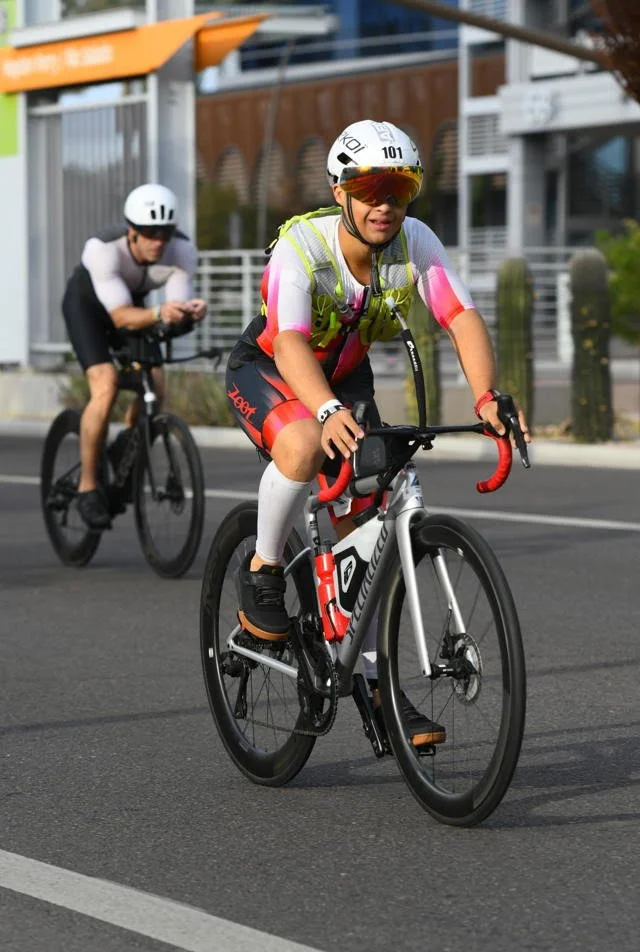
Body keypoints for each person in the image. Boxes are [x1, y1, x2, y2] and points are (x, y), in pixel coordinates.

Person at [225, 119, 530, 746]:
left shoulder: (414, 241)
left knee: (366, 521)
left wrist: (487, 397)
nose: (384, 204)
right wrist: (327, 410)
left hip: (345, 372)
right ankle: (263, 567)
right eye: (368, 189)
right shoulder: (302, 247)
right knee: (307, 447)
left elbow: (460, 315)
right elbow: (287, 341)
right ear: (340, 191)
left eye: (398, 188)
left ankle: (373, 686)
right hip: (274, 369)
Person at [61, 182, 207, 531]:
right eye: (150, 233)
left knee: (156, 383)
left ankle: (127, 444)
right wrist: (161, 314)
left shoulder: (182, 251)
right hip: (90, 309)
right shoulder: (103, 250)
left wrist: (188, 314)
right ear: (132, 232)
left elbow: (171, 312)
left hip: (134, 307)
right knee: (106, 384)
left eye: (165, 233)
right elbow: (120, 317)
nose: (159, 241)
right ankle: (87, 486)